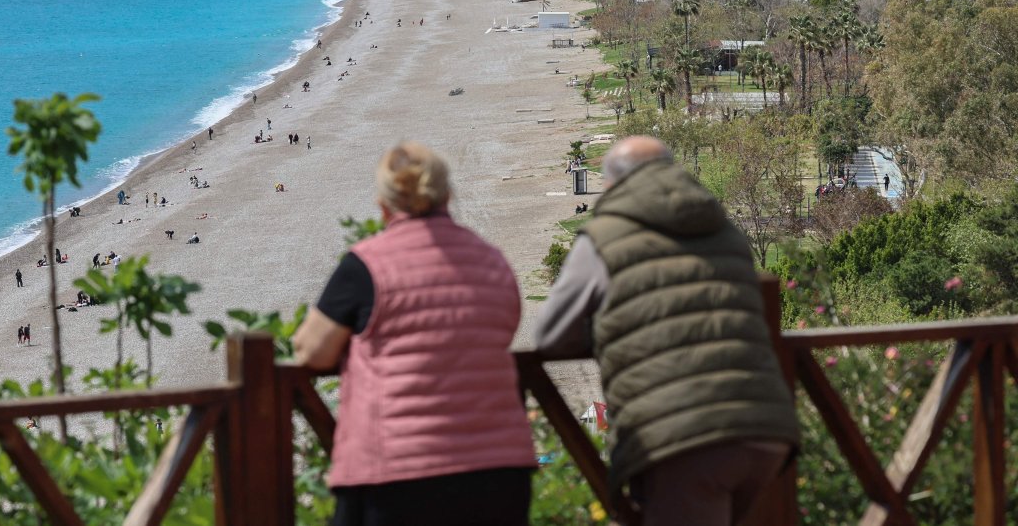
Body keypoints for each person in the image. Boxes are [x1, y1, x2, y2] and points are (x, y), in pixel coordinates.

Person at [534, 136, 798, 526]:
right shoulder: (726, 232)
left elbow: (550, 335)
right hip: (767, 430)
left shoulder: (605, 237)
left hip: (687, 437)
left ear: (610, 185)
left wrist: (619, 335)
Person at [292, 142, 535, 526]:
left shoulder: (367, 264)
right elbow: (505, 327)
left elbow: (311, 352)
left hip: (396, 471)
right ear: (448, 196)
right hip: (499, 467)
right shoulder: (492, 259)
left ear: (384, 205)